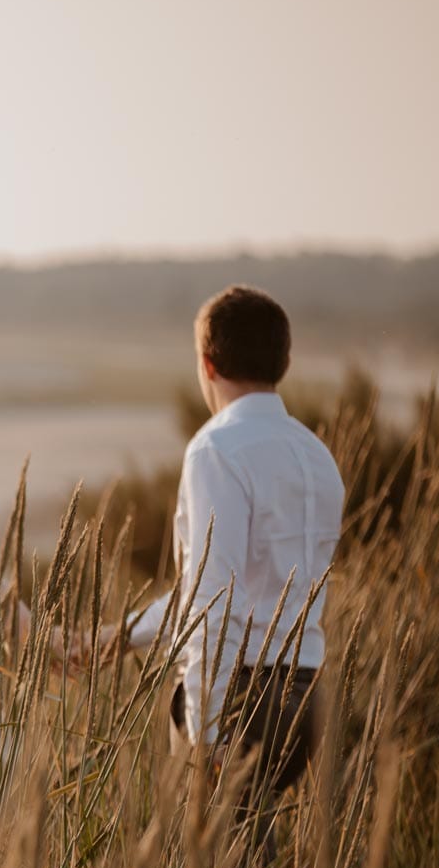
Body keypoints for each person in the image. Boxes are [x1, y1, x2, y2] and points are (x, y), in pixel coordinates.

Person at [90, 285, 344, 817]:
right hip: (307, 699)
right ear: (285, 361)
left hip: (240, 699)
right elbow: (231, 587)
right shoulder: (316, 456)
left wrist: (206, 736)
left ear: (207, 365)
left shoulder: (215, 449)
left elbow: (215, 597)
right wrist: (123, 635)